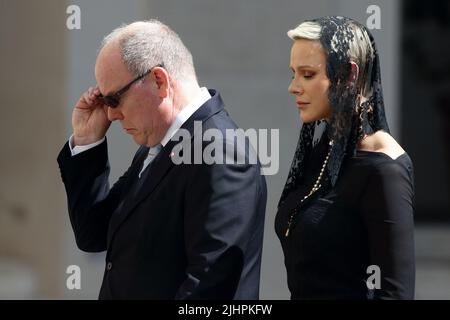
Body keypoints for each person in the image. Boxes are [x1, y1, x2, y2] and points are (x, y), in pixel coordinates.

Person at [57, 20, 267, 299]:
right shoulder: (161, 142)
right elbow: (94, 234)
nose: (110, 115)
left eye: (114, 100)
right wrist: (87, 142)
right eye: (105, 102)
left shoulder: (220, 152)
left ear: (159, 81)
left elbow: (207, 291)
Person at [275, 16, 415, 299]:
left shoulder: (383, 167)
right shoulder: (324, 149)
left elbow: (394, 293)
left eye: (308, 74)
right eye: (293, 73)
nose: (294, 86)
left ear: (349, 75)